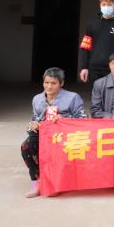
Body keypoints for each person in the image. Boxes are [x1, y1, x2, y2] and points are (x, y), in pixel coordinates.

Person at [22, 67, 86, 198]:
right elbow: (35, 118)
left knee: (55, 150)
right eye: (46, 82)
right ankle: (38, 182)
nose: (49, 86)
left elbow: (83, 118)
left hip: (65, 134)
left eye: (53, 83)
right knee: (26, 147)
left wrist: (64, 119)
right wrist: (34, 124)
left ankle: (56, 184)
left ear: (61, 83)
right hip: (44, 133)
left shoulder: (73, 97)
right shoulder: (37, 99)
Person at [78, 0, 114, 83]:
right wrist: (84, 67)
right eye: (104, 4)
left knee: (113, 92)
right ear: (100, 5)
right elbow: (85, 47)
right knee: (96, 92)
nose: (106, 7)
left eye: (110, 4)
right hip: (94, 67)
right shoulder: (92, 23)